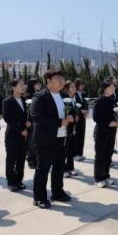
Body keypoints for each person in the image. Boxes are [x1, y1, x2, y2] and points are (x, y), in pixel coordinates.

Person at [30, 69, 73, 209]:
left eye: (62, 79)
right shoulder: (40, 96)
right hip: (45, 139)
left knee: (59, 167)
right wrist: (59, 122)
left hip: (62, 137)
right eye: (58, 79)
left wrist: (71, 117)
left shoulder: (64, 96)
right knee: (43, 168)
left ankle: (57, 192)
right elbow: (36, 116)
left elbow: (69, 112)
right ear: (48, 80)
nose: (61, 82)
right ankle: (39, 197)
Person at [1, 78, 29, 191]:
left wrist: (29, 122)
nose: (23, 86)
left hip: (24, 135)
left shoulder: (25, 100)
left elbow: (27, 115)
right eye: (21, 84)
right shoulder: (7, 101)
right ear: (13, 87)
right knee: (11, 159)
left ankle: (19, 180)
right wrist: (21, 129)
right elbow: (8, 119)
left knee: (21, 159)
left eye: (24, 84)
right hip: (12, 135)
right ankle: (11, 182)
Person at [93, 80, 118, 187]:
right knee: (100, 156)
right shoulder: (99, 101)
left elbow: (115, 114)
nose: (113, 89)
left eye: (114, 88)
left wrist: (116, 121)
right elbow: (96, 117)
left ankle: (106, 176)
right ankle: (98, 178)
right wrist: (109, 123)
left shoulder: (112, 100)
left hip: (111, 132)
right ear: (105, 88)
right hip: (101, 132)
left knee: (108, 155)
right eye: (111, 87)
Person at [72, 78, 89, 163]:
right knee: (76, 135)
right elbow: (73, 105)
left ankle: (80, 153)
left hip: (83, 118)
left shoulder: (84, 94)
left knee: (82, 134)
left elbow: (86, 104)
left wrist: (86, 111)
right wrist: (80, 111)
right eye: (81, 84)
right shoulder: (74, 94)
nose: (82, 86)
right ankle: (75, 154)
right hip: (77, 117)